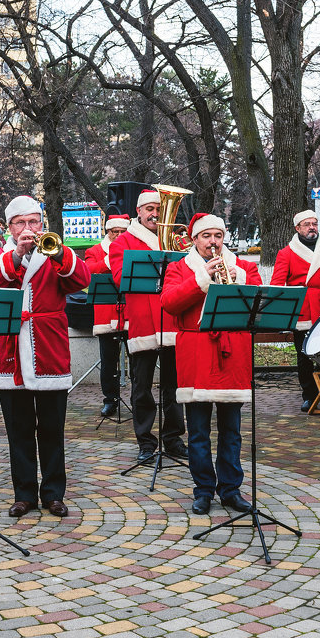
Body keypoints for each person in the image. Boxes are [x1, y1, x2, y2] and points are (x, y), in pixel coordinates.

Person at [0, 195, 91, 518]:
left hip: (50, 352)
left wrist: (58, 254)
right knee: (19, 430)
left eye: (34, 222)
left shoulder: (54, 253)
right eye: (21, 223)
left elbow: (82, 279)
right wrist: (16, 255)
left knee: (53, 429)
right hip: (12, 355)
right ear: (10, 228)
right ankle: (23, 493)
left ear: (43, 224)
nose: (28, 229)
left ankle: (54, 493)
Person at [160, 212, 260, 515]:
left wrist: (235, 277)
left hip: (232, 354)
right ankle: (203, 489)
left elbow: (256, 298)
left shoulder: (244, 267)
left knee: (232, 429)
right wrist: (201, 279)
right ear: (194, 240)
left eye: (218, 236)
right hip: (196, 355)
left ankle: (230, 489)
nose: (213, 242)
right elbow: (169, 303)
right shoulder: (180, 268)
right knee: (199, 431)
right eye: (206, 236)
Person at [109, 189, 188, 465]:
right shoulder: (123, 243)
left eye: (159, 208)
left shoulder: (175, 242)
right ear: (139, 212)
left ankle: (174, 438)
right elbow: (120, 278)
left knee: (174, 385)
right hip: (143, 321)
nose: (155, 214)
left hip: (172, 318)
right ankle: (145, 440)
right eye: (150, 209)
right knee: (141, 386)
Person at [271, 209, 320, 412]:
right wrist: (281, 315)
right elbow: (278, 286)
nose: (312, 227)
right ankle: (309, 396)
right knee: (304, 356)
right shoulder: (286, 253)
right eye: (307, 224)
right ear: (297, 228)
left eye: (314, 223)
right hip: (302, 310)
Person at [84, 213, 131, 418]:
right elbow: (88, 271)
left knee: (136, 361)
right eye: (115, 232)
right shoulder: (94, 251)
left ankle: (138, 400)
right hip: (106, 312)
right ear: (108, 232)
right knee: (108, 361)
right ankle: (110, 400)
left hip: (130, 312)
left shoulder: (134, 250)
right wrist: (109, 259)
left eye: (123, 232)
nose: (118, 236)